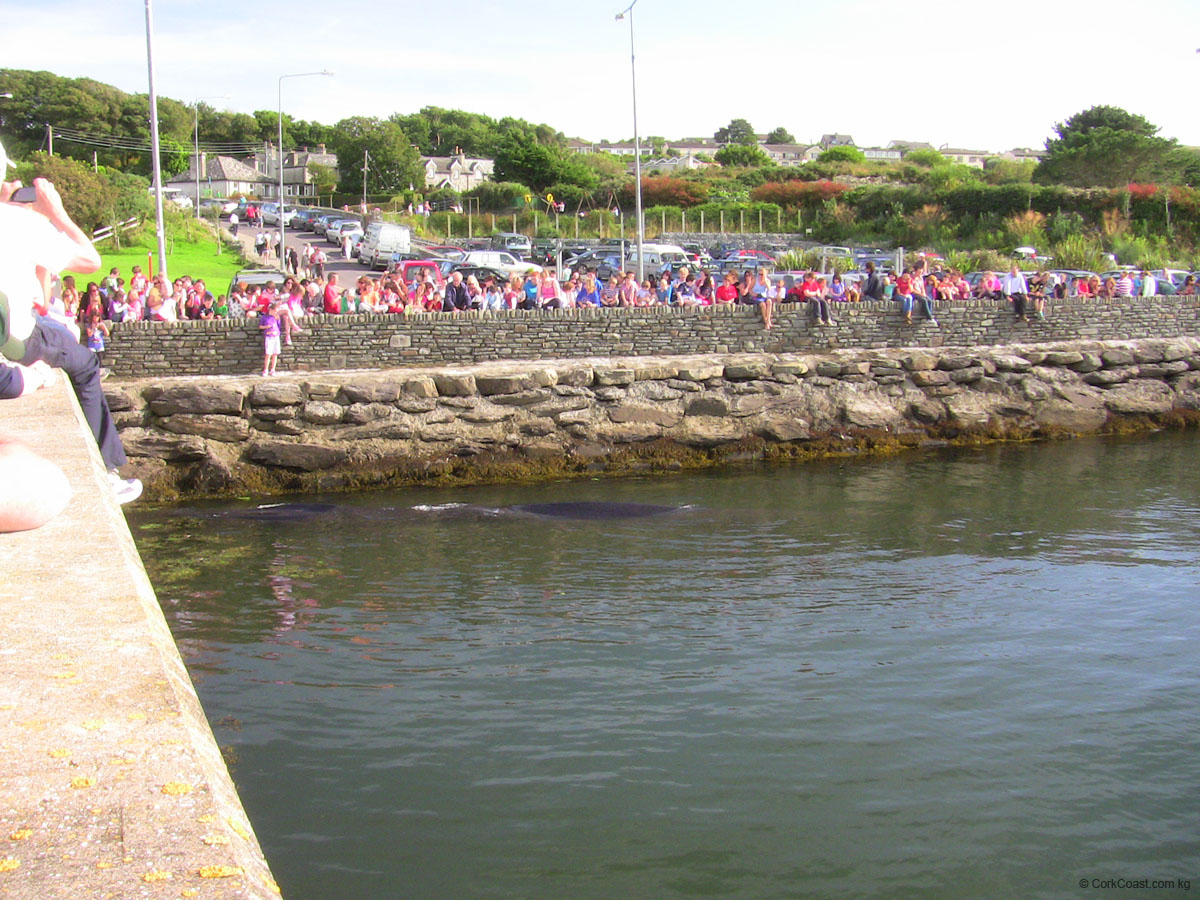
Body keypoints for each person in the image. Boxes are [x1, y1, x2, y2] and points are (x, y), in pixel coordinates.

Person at [0, 156, 140, 504]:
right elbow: (91, 261)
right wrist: (54, 213)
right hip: (17, 340)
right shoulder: (19, 222)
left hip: (21, 326)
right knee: (86, 363)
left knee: (58, 327)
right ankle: (107, 472)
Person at [260, 301, 282, 376]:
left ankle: (273, 369)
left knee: (275, 354)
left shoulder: (277, 317)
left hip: (276, 336)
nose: (276, 312)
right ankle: (265, 369)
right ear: (271, 310)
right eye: (275, 311)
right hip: (269, 337)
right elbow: (260, 326)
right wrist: (267, 327)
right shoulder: (265, 317)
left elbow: (279, 327)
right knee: (268, 354)